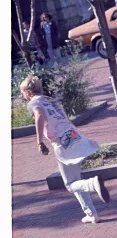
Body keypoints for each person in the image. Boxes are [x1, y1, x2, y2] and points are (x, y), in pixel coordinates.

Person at [20, 75, 111, 224]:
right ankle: (91, 214)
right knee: (76, 179)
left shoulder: (33, 103)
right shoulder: (50, 100)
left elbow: (38, 116)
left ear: (28, 92)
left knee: (69, 184)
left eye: (23, 93)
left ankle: (93, 184)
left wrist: (39, 141)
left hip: (61, 142)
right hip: (74, 135)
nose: (23, 96)